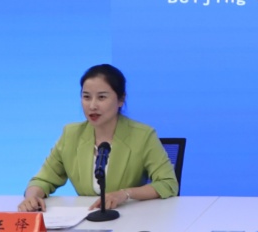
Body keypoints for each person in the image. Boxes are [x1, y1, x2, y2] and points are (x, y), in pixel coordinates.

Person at [18, 63, 178, 212]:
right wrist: (32, 197)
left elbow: (168, 183)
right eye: (86, 97)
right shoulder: (71, 135)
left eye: (101, 97)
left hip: (129, 217)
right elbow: (43, 180)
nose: (92, 105)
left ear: (121, 99)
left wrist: (125, 194)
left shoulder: (143, 135)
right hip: (87, 218)